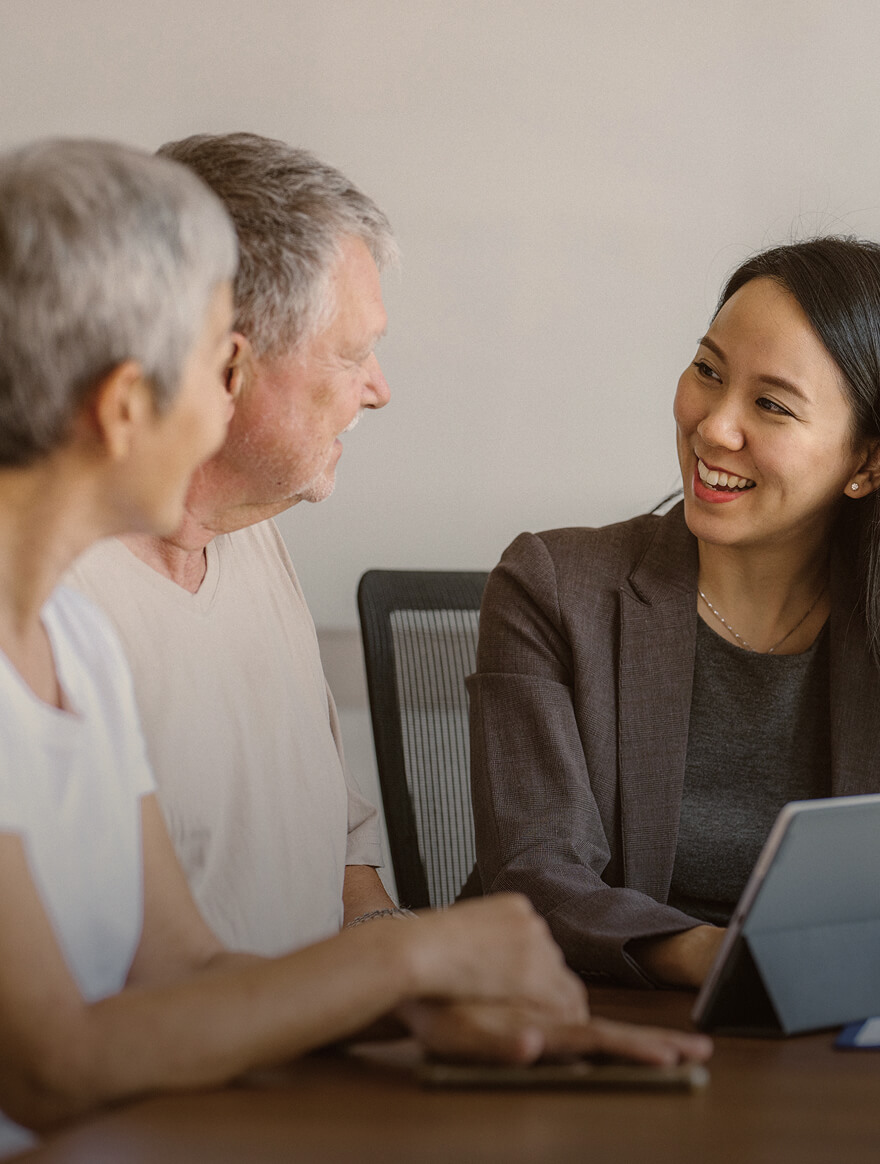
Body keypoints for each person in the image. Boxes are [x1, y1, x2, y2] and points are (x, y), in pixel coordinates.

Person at [0, 139, 711, 1152]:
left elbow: (185, 969)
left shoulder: (71, 642)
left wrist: (427, 1005)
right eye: (216, 366)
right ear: (122, 407)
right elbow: (48, 1064)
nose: (224, 400)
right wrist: (409, 964)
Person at [469, 236, 880, 989]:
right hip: (602, 1018)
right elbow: (534, 873)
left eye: (771, 404)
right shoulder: (553, 587)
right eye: (708, 371)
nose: (714, 426)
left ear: (866, 463)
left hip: (837, 1032)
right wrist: (713, 956)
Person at [67, 133, 399, 954]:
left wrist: (398, 958)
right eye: (354, 354)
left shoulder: (257, 536)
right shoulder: (50, 600)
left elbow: (345, 854)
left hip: (324, 1049)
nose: (378, 390)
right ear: (229, 368)